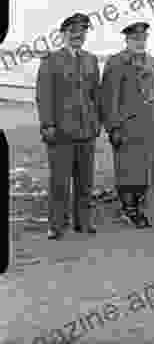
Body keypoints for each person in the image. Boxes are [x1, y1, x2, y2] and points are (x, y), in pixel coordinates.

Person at [101, 22, 154, 228]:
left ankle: (139, 203)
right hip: (128, 124)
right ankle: (129, 209)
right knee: (127, 167)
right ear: (127, 40)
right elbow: (109, 97)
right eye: (135, 39)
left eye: (143, 39)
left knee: (147, 167)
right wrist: (113, 128)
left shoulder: (151, 61)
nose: (140, 42)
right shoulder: (116, 62)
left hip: (151, 122)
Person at [36, 13, 101, 240]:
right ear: (63, 34)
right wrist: (47, 125)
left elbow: (95, 96)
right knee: (60, 181)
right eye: (73, 32)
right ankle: (57, 225)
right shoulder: (50, 60)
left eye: (82, 32)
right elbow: (44, 97)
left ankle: (83, 222)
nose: (77, 36)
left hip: (86, 131)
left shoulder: (92, 60)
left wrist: (96, 122)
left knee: (85, 180)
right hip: (60, 132)